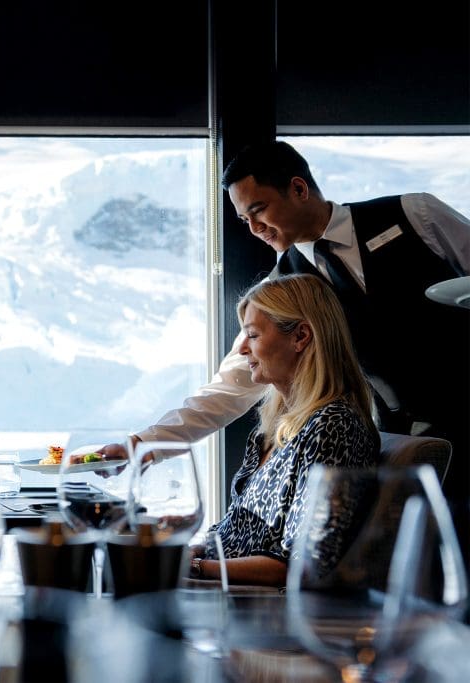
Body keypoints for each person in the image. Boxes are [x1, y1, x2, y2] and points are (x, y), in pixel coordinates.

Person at [117, 140, 470, 504]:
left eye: (259, 210)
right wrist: (142, 444)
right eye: (244, 220)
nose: (254, 228)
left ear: (298, 189)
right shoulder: (281, 290)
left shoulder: (415, 213)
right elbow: (231, 386)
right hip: (411, 441)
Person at [191, 274, 379, 586]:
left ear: (301, 336)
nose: (242, 350)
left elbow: (301, 567)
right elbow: (236, 531)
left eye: (252, 335)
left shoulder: (334, 426)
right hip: (228, 589)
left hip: (258, 608)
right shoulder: (277, 426)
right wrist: (190, 551)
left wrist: (196, 567)